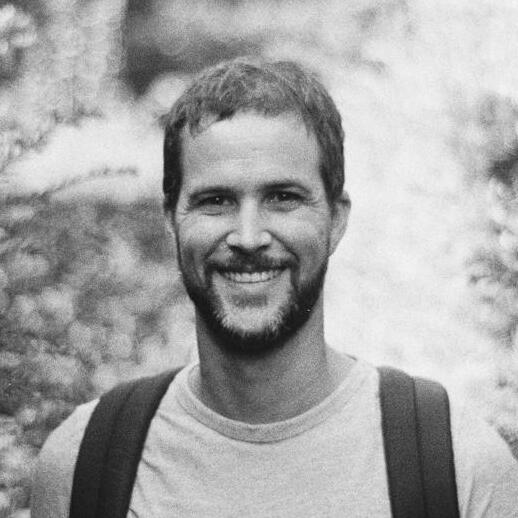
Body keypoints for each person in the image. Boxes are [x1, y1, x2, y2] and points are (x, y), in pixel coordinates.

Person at [31, 58, 518, 517]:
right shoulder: (86, 464)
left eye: (283, 197)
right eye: (215, 201)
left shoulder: (455, 463)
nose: (248, 237)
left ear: (335, 220)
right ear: (171, 221)